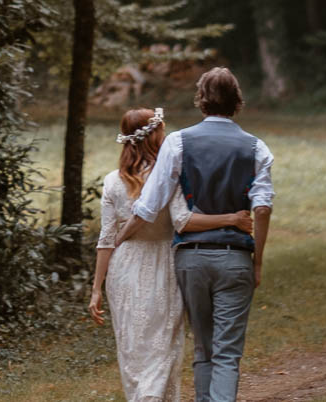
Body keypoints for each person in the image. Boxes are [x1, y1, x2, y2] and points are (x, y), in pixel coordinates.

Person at [114, 69, 274, 402]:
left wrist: (118, 240)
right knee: (227, 353)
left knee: (204, 347)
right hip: (235, 258)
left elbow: (148, 206)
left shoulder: (177, 142)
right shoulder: (257, 148)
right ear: (237, 101)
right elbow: (262, 209)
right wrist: (257, 260)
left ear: (201, 100)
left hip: (191, 260)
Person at [88, 106, 254, 402]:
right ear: (154, 136)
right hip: (163, 265)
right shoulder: (170, 176)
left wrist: (96, 289)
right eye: (162, 129)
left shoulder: (113, 181)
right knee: (162, 348)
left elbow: (106, 241)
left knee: (133, 353)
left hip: (122, 268)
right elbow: (183, 221)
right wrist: (231, 219)